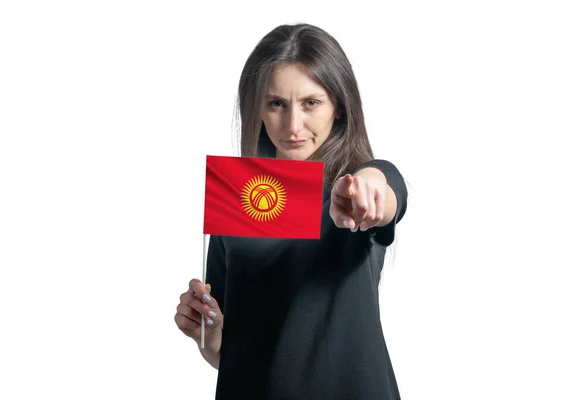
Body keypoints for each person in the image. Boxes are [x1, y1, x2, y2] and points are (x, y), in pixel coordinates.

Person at [174, 23, 408, 399]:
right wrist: (211, 336)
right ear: (259, 109)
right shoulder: (237, 197)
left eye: (310, 103)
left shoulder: (352, 192)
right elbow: (234, 351)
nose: (293, 125)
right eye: (276, 104)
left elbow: (387, 190)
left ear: (338, 107)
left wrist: (372, 189)